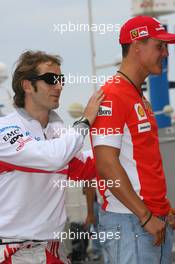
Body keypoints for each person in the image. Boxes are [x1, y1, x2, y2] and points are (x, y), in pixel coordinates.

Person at [0, 50, 104, 264]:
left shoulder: (59, 134)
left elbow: (91, 164)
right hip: (11, 252)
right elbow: (51, 158)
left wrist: (126, 136)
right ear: (27, 85)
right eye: (51, 79)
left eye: (61, 79)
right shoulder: (5, 129)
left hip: (51, 250)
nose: (59, 86)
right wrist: (85, 121)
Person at [91, 16, 175, 264]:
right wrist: (145, 216)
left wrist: (161, 209)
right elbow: (106, 165)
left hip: (148, 221)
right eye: (160, 46)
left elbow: (143, 163)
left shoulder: (137, 96)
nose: (166, 53)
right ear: (137, 46)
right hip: (131, 224)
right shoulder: (114, 94)